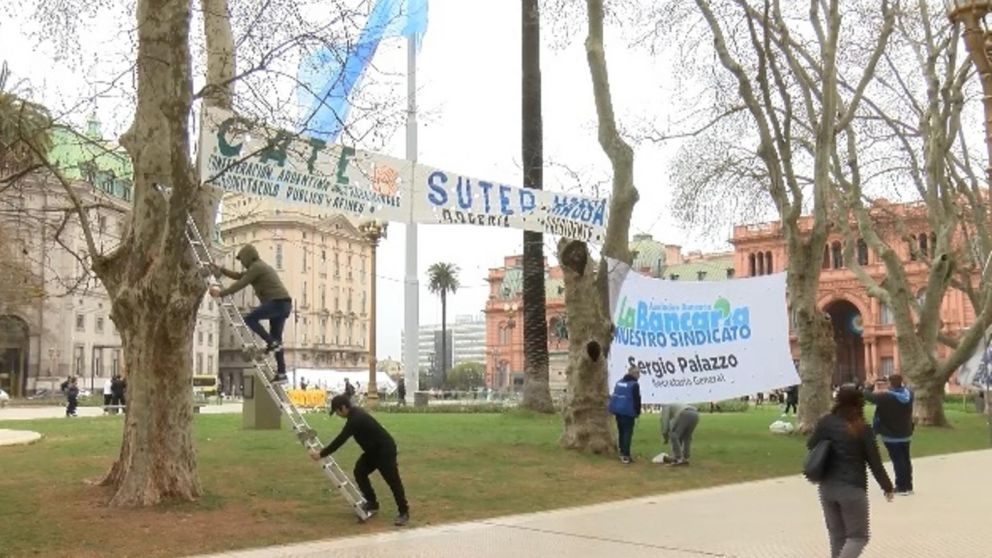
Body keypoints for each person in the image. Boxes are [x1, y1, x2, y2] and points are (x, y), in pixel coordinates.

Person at [808, 385, 893, 558]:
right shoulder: (862, 428)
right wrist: (887, 487)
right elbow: (875, 463)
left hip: (827, 487)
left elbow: (811, 445)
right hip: (852, 488)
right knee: (858, 537)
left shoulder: (826, 422)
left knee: (837, 536)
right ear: (859, 403)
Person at [309, 395, 410, 526]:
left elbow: (341, 439)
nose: (338, 415)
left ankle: (404, 512)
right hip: (372, 451)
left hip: (385, 450)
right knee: (359, 472)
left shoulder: (356, 419)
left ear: (344, 408)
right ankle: (372, 503)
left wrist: (321, 454)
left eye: (337, 412)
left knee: (393, 481)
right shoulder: (354, 415)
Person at [210, 245, 292, 383]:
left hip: (277, 302)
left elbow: (241, 283)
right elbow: (239, 276)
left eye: (242, 260)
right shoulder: (258, 268)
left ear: (248, 257)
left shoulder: (257, 267)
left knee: (250, 318)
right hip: (283, 305)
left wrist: (221, 293)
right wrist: (221, 270)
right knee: (277, 339)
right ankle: (282, 373)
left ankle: (271, 343)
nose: (242, 263)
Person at [864, 375, 914, 495]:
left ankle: (901, 487)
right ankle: (908, 486)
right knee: (905, 460)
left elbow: (866, 395)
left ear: (890, 384)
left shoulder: (885, 397)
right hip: (905, 432)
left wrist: (870, 385)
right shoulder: (909, 394)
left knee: (898, 460)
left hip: (891, 435)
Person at [608, 363, 641, 464]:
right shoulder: (634, 385)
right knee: (627, 433)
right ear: (633, 373)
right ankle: (626, 455)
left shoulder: (619, 382)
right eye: (638, 373)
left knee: (621, 432)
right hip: (628, 412)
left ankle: (622, 452)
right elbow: (637, 399)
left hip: (618, 411)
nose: (639, 375)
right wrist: (637, 412)